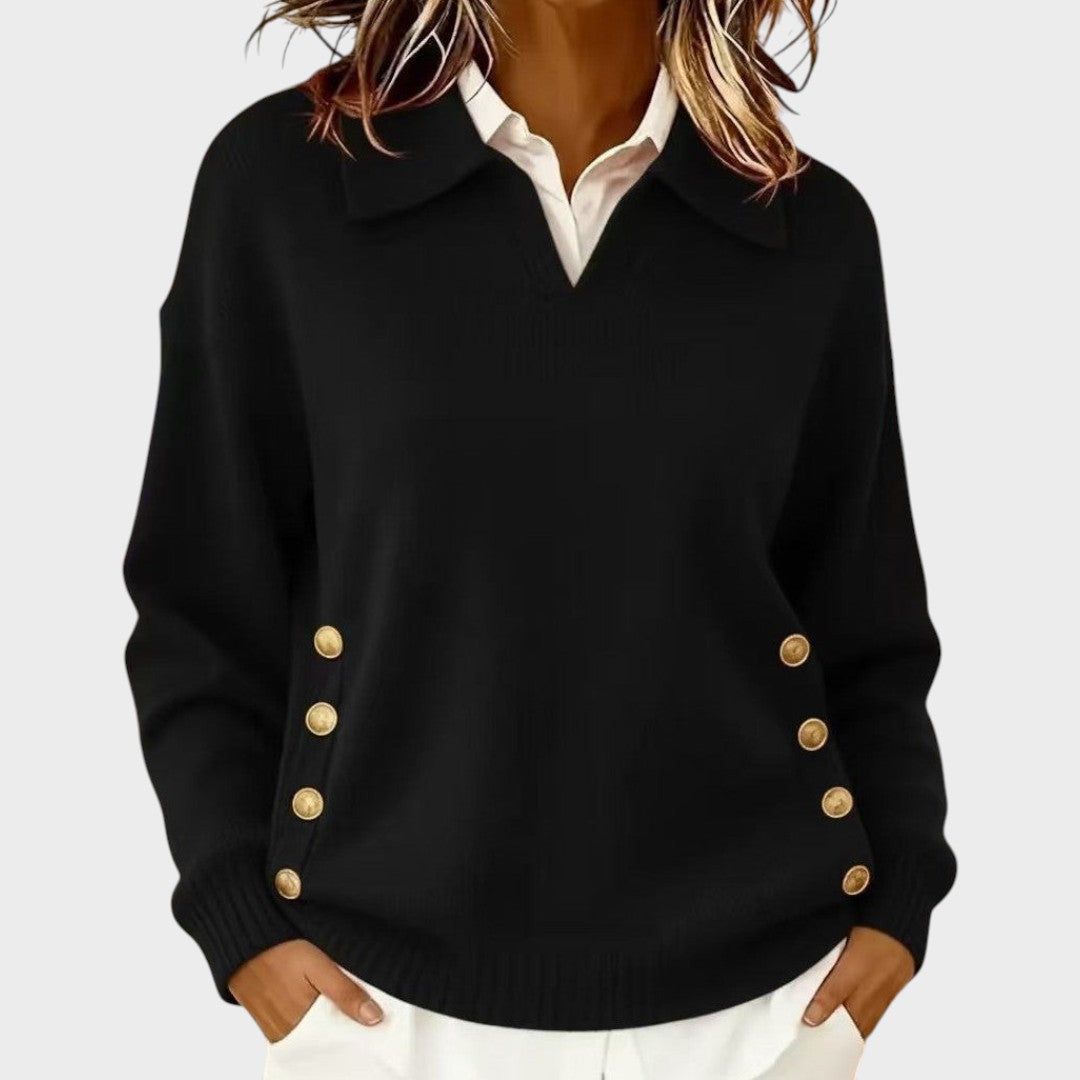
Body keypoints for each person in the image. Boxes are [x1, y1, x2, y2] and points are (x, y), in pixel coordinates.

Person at [122, 1, 957, 1077]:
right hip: (377, 1009)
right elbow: (200, 603)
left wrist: (898, 904)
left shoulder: (809, 228)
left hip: (764, 1007)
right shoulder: (287, 187)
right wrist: (239, 922)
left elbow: (866, 624)